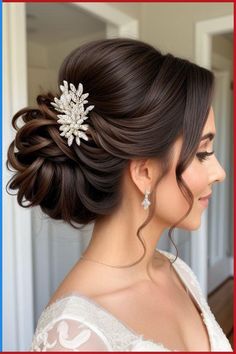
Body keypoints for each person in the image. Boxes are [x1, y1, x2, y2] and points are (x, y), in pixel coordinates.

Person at [6, 38, 232, 352]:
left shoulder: (177, 271)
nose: (219, 172)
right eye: (203, 153)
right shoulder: (71, 339)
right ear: (145, 173)